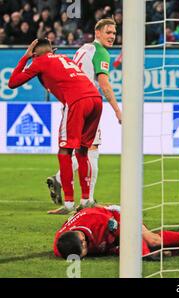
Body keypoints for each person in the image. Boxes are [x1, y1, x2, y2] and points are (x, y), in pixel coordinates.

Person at [8, 39, 103, 215]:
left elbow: (12, 82)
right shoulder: (64, 58)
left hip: (77, 102)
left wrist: (25, 57)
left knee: (65, 151)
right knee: (83, 151)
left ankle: (68, 203)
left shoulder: (39, 61)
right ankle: (86, 200)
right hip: (96, 100)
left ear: (35, 53)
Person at [46, 18, 122, 210]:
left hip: (71, 104)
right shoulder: (101, 52)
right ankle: (87, 201)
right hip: (86, 104)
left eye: (114, 33)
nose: (112, 36)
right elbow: (104, 84)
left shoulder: (83, 49)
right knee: (91, 151)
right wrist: (117, 110)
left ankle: (62, 183)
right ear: (97, 33)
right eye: (108, 32)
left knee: (76, 150)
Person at [54, 205, 179, 259]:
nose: (83, 256)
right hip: (107, 240)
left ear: (82, 238)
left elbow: (127, 231)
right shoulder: (62, 245)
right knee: (157, 252)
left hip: (120, 216)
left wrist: (145, 253)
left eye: (84, 250)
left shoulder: (99, 221)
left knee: (152, 241)